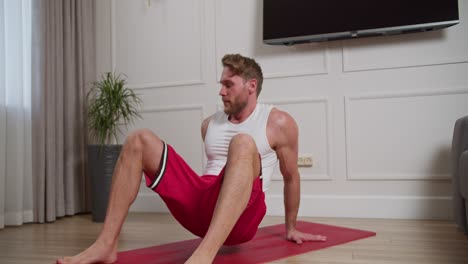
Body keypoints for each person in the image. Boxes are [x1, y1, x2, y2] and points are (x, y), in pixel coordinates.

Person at [57, 54, 326, 264]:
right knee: (139, 139)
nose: (221, 91)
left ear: (251, 86)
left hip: (244, 217)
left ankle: (204, 254)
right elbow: (212, 180)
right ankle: (106, 244)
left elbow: (291, 176)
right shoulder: (209, 124)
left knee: (243, 143)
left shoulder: (278, 122)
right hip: (203, 205)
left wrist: (291, 227)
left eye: (228, 84)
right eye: (221, 84)